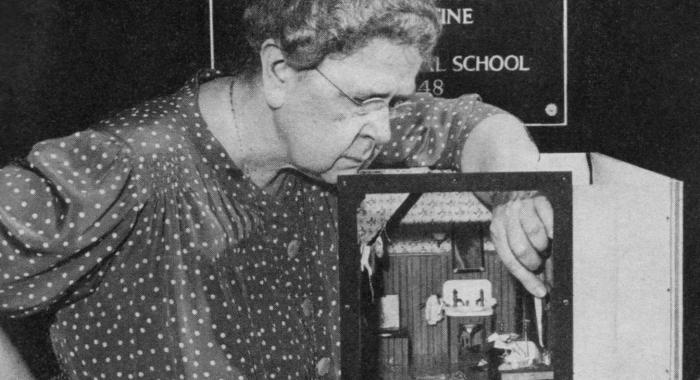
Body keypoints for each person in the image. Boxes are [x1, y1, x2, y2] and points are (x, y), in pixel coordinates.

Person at [0, 0, 552, 378]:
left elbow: (468, 125)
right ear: (278, 70)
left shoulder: (323, 140)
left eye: (390, 101)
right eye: (364, 101)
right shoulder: (125, 165)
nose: (383, 128)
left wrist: (516, 193)